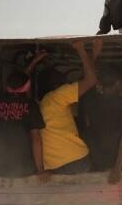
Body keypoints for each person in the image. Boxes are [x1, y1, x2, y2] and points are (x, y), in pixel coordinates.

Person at [39, 39, 101, 175]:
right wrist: (80, 49)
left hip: (52, 165)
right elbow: (90, 81)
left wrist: (93, 56)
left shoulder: (41, 103)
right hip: (75, 159)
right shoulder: (58, 96)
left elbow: (83, 85)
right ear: (59, 85)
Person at [0, 69, 46, 179]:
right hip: (23, 169)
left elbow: (18, 83)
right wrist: (40, 170)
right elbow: (36, 138)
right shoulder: (31, 105)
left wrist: (33, 63)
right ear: (28, 87)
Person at [78, 66, 122, 171]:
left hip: (95, 157)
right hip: (117, 158)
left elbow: (84, 128)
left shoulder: (88, 101)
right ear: (118, 83)